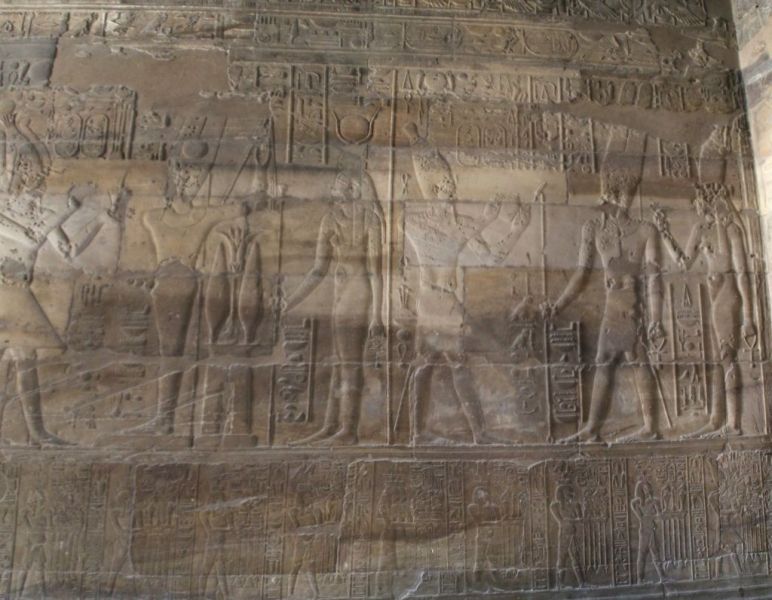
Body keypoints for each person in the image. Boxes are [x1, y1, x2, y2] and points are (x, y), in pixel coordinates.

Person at [544, 168, 665, 443]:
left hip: (630, 304)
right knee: (620, 359)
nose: (614, 205)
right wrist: (558, 305)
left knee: (623, 358)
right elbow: (582, 274)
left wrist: (657, 319)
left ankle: (633, 428)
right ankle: (612, 428)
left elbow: (654, 278)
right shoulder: (594, 229)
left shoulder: (646, 230)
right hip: (615, 303)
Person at [284, 166, 384, 445]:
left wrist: (377, 315)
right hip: (341, 293)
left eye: (340, 184)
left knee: (349, 361)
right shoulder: (330, 218)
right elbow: (318, 270)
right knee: (340, 361)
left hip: (357, 292)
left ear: (353, 189)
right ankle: (331, 426)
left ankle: (348, 430)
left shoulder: (370, 219)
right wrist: (291, 300)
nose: (334, 188)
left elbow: (375, 271)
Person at [654, 183, 755, 437]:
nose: (696, 205)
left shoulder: (731, 230)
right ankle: (716, 420)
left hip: (727, 295)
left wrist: (749, 317)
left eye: (699, 201)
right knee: (717, 359)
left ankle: (732, 423)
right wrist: (665, 233)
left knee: (726, 357)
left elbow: (743, 273)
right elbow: (684, 263)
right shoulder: (700, 229)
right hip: (713, 296)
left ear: (709, 202)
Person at [550, 484, 584, 588]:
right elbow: (561, 521)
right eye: (568, 491)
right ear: (561, 493)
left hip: (572, 532)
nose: (570, 493)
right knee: (562, 558)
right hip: (564, 533)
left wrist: (573, 519)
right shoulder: (555, 506)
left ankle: (582, 583)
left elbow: (580, 519)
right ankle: (559, 584)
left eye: (570, 491)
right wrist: (573, 520)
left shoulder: (575, 505)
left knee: (575, 557)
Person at [630, 479, 665, 583]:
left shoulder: (654, 501)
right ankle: (640, 579)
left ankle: (662, 577)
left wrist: (655, 515)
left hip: (651, 529)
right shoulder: (638, 503)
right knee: (642, 554)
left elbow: (659, 515)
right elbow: (635, 508)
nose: (647, 490)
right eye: (644, 488)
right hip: (644, 530)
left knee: (655, 553)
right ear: (640, 490)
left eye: (648, 488)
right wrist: (644, 517)